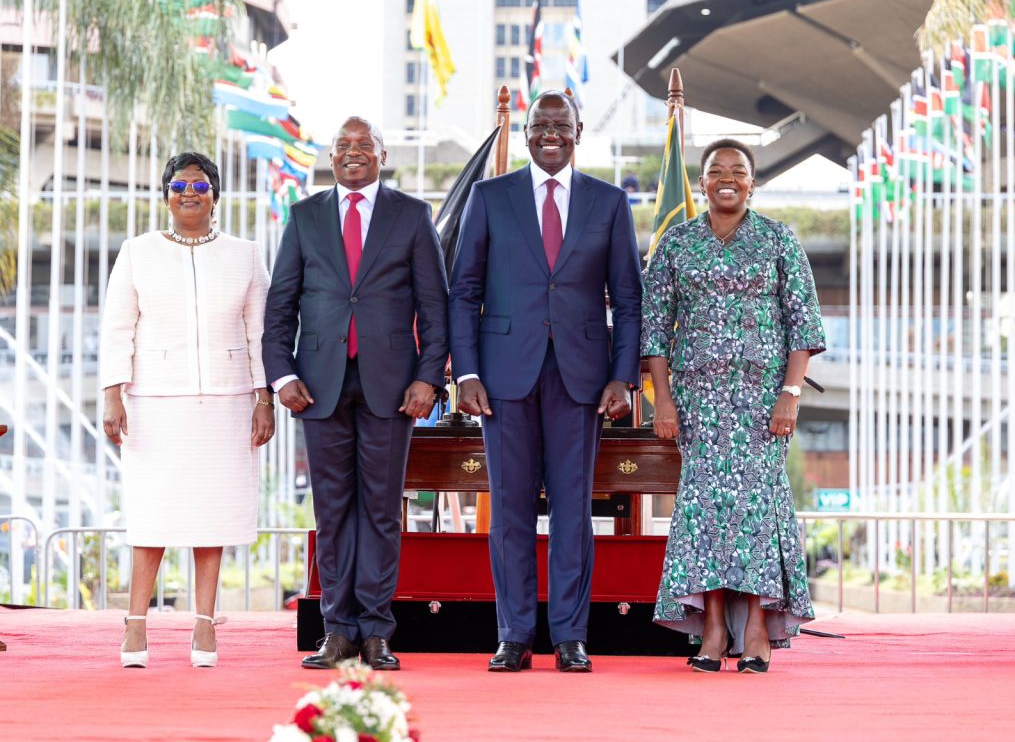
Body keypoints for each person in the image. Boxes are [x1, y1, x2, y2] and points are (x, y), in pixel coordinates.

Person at [449, 91, 642, 673]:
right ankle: (513, 634)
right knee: (508, 509)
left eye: (561, 124)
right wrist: (468, 372)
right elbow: (464, 291)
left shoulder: (609, 203)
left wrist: (623, 377)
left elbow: (628, 299)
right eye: (540, 124)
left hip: (582, 379)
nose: (550, 133)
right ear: (527, 131)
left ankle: (570, 636)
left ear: (579, 130)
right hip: (503, 377)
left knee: (572, 511)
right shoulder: (490, 197)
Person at [263, 117, 448, 671]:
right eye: (342, 145)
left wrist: (428, 377)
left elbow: (434, 309)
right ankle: (337, 631)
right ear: (331, 155)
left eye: (363, 145)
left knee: (382, 511)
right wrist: (282, 375)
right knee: (333, 510)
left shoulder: (412, 216)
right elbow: (280, 309)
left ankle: (376, 632)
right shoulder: (304, 216)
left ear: (382, 154)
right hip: (316, 388)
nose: (352, 153)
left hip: (393, 389)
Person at [641, 138, 826, 674]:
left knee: (754, 513)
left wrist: (790, 394)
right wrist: (665, 402)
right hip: (698, 401)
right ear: (701, 182)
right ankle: (714, 628)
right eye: (716, 170)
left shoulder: (778, 240)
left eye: (738, 171)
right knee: (704, 514)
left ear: (752, 181)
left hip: (762, 404)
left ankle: (758, 630)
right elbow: (654, 333)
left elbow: (803, 326)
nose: (727, 177)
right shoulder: (675, 245)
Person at [101, 152, 274, 669]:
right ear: (166, 195)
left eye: (199, 185)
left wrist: (263, 397)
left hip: (227, 400)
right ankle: (136, 623)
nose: (189, 193)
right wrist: (112, 392)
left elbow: (260, 332)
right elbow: (116, 327)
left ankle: (204, 622)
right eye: (178, 185)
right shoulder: (138, 251)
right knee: (153, 514)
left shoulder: (245, 255)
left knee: (212, 516)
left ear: (215, 194)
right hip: (154, 401)